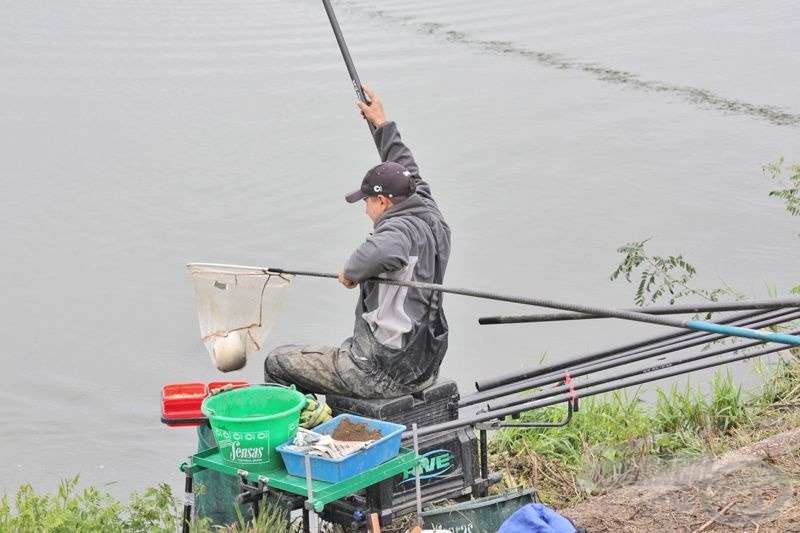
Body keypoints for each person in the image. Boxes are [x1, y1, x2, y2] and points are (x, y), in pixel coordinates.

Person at [264, 85, 451, 399]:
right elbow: (410, 170)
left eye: (366, 201)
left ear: (382, 201)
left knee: (278, 363)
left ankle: (298, 438)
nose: (365, 209)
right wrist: (382, 124)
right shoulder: (431, 213)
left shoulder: (396, 232)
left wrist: (350, 271)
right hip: (424, 365)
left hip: (381, 372)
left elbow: (385, 250)